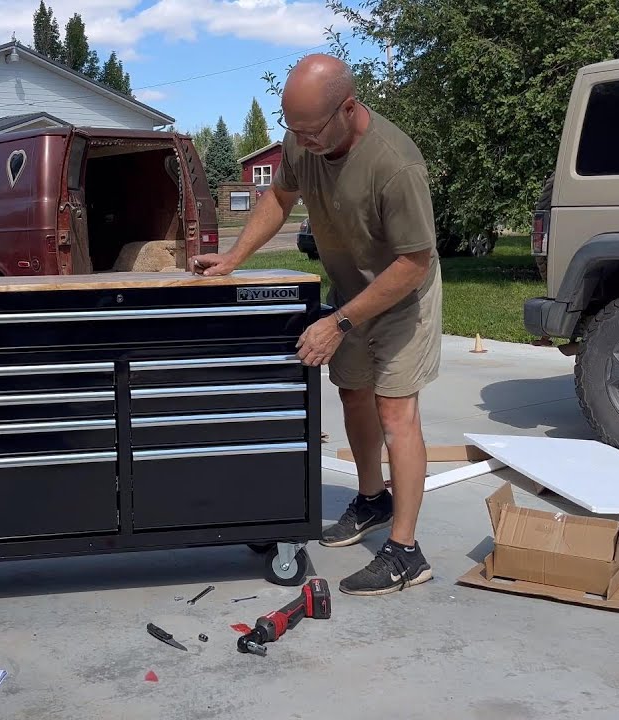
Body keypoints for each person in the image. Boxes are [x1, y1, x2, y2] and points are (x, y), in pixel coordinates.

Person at [188, 54, 442, 596]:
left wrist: (341, 323)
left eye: (309, 129)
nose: (299, 140)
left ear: (348, 109)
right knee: (352, 393)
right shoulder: (305, 141)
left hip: (402, 296)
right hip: (351, 289)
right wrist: (233, 257)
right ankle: (373, 500)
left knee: (396, 411)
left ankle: (405, 553)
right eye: (291, 129)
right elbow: (279, 197)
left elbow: (413, 263)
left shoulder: (395, 164)